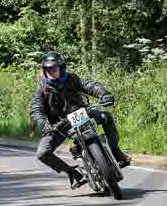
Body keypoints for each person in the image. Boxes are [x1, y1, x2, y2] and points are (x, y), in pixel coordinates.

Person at [29, 52, 132, 189]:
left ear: (61, 67)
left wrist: (103, 93)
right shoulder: (42, 89)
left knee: (105, 117)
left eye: (54, 69)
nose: (51, 72)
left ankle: (115, 151)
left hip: (81, 112)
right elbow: (36, 109)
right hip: (60, 124)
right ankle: (72, 173)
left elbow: (89, 85)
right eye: (48, 69)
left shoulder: (71, 79)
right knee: (42, 153)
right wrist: (43, 123)